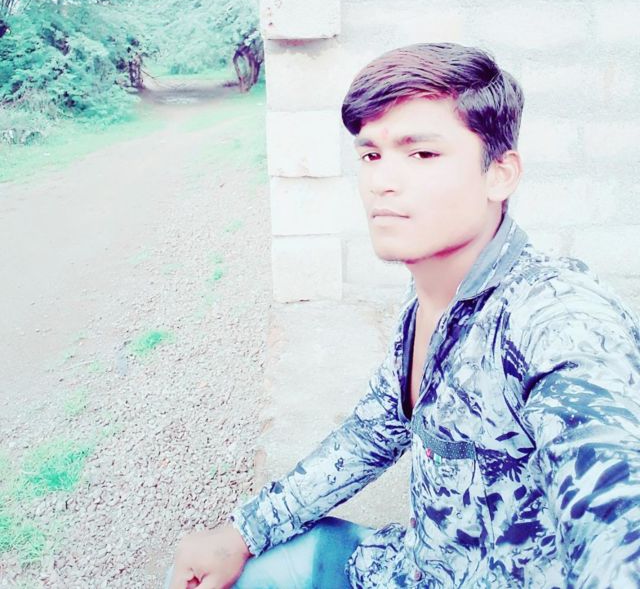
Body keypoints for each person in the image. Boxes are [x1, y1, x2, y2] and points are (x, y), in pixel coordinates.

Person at [166, 42, 640, 588]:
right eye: (371, 155)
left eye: (422, 154)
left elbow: (616, 516)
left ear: (500, 174)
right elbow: (371, 433)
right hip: (404, 567)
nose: (381, 182)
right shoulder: (428, 301)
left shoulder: (556, 318)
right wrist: (240, 534)